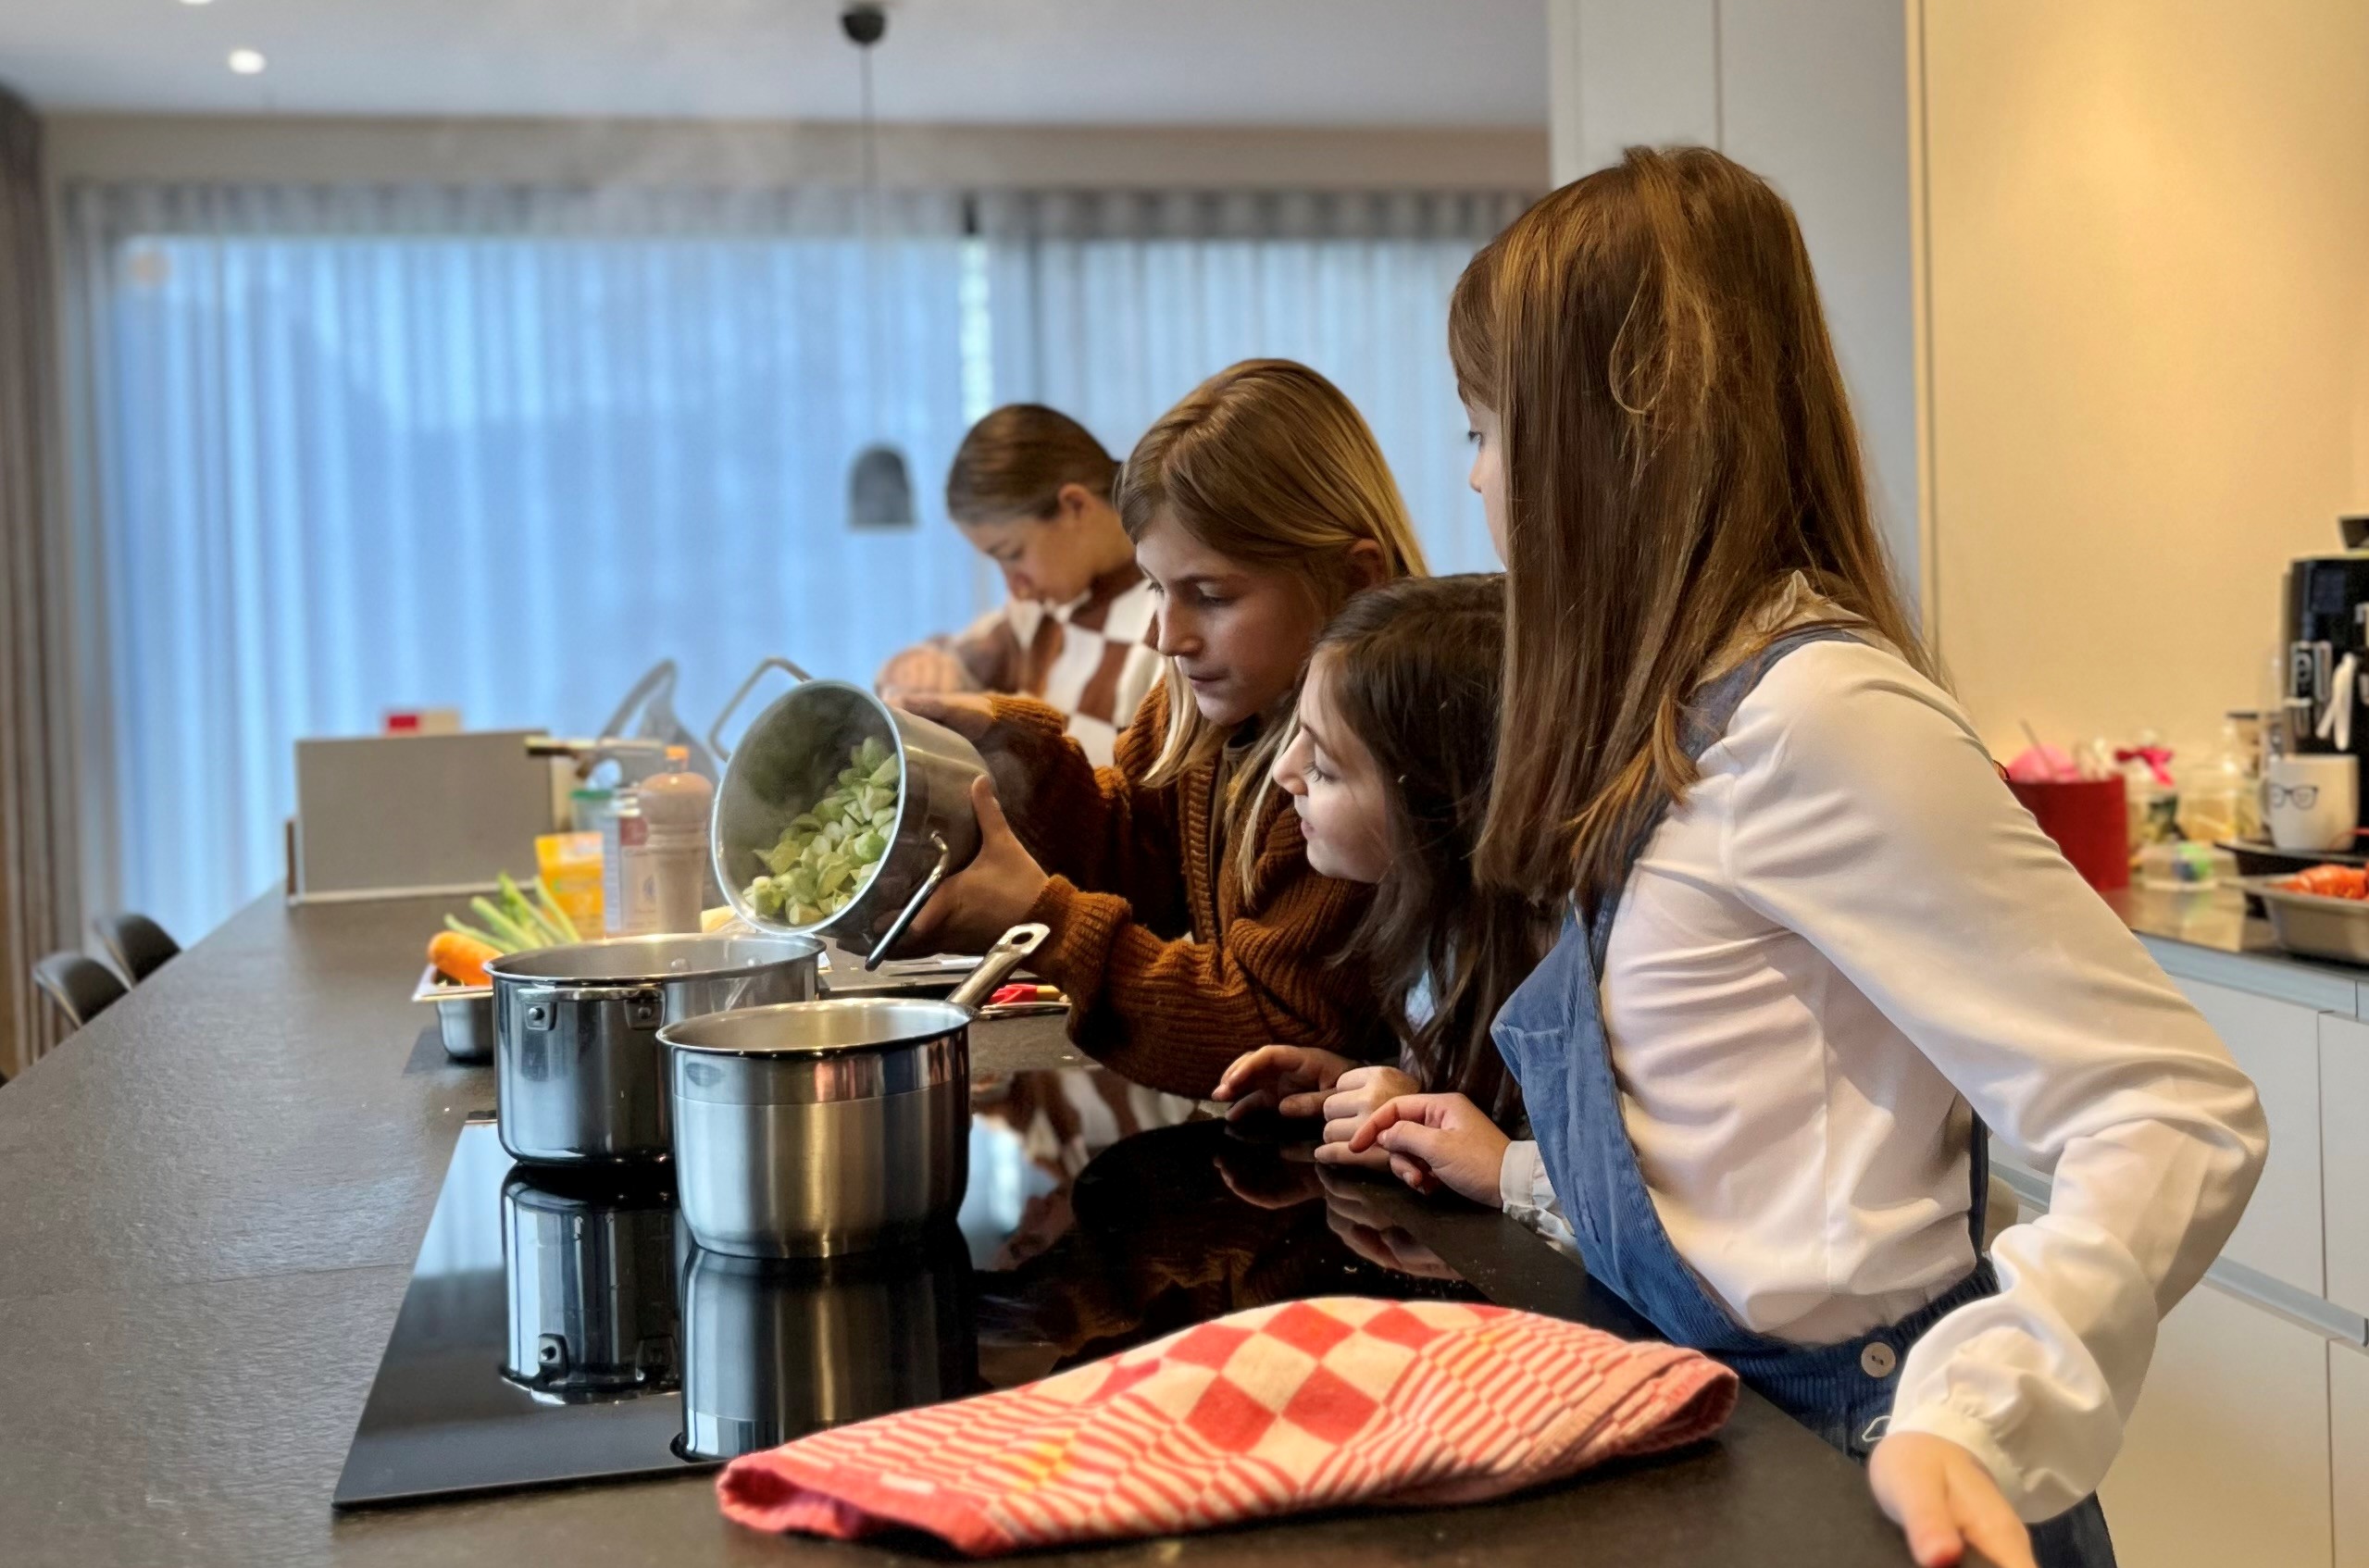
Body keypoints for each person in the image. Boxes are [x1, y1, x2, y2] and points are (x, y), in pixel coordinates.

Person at [1332, 148, 2265, 1568]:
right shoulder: (1688, 725)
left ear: (1614, 434)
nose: (1472, 474)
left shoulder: (1815, 718)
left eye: (1486, 426)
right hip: (1727, 1445)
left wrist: (1975, 1412)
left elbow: (2169, 1109)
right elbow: (1755, 1143)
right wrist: (1519, 1174)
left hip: (1861, 1474)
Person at [901, 359, 1421, 1096]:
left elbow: (1266, 1028)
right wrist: (1009, 758)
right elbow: (1138, 858)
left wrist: (1041, 923)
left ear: (1354, 580)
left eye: (1208, 595)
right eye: (1154, 587)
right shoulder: (1201, 707)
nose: (1164, 637)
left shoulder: (1363, 769)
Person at [1210, 573, 1547, 1136]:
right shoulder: (1438, 925)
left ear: (1437, 802)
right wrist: (1367, 1081)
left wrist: (1423, 1117)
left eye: (1323, 765)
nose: (1284, 771)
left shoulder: (1550, 972)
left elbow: (1573, 1163)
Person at [876, 405, 1162, 765]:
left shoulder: (1168, 618)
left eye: (1012, 554)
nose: (1016, 588)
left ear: (1075, 506)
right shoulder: (1042, 606)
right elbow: (962, 658)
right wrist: (923, 665)